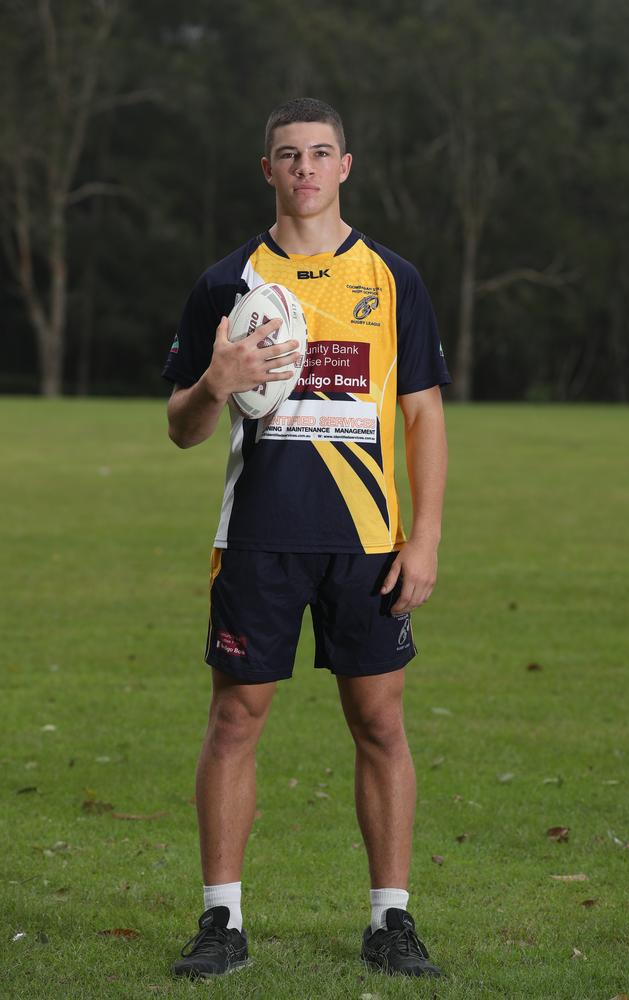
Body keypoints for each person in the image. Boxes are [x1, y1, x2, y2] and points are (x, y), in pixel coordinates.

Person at [162, 97, 450, 980]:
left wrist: (425, 535)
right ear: (269, 171)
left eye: (321, 154)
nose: (306, 170)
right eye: (289, 156)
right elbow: (181, 426)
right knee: (234, 719)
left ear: (346, 166)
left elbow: (422, 414)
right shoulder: (227, 284)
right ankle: (222, 922)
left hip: (366, 541)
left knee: (380, 721)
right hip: (258, 539)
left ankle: (390, 922)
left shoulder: (394, 278)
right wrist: (217, 379)